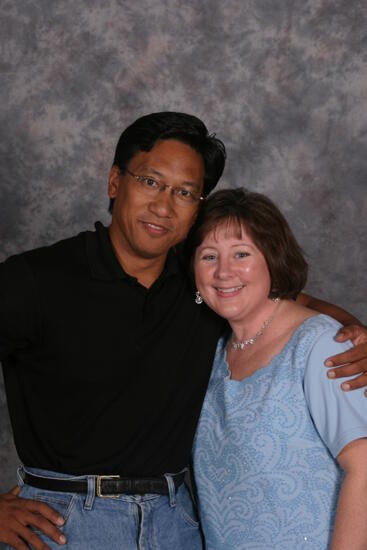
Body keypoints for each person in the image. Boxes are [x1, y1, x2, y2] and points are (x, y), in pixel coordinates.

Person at [0, 112, 366, 550]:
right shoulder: (38, 280)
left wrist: (353, 331)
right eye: (151, 182)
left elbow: (290, 301)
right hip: (66, 524)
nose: (163, 205)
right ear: (116, 182)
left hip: (177, 525)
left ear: (197, 208)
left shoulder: (205, 284)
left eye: (185, 193)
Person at [190, 188, 367, 549]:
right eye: (209, 256)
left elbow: (365, 469)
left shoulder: (319, 344)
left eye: (242, 254)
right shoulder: (213, 352)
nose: (224, 272)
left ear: (272, 259)